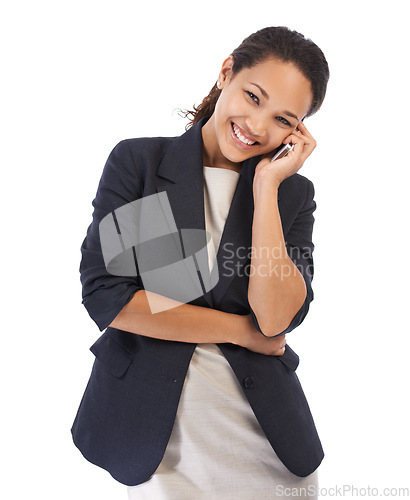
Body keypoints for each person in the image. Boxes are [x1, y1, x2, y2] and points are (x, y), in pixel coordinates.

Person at [71, 26, 330, 499]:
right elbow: (110, 298)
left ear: (297, 133)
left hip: (267, 444)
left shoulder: (291, 194)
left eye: (282, 119)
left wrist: (268, 188)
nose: (256, 125)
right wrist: (238, 331)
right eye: (253, 96)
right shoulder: (143, 165)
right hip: (158, 441)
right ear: (227, 71)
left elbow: (275, 318)